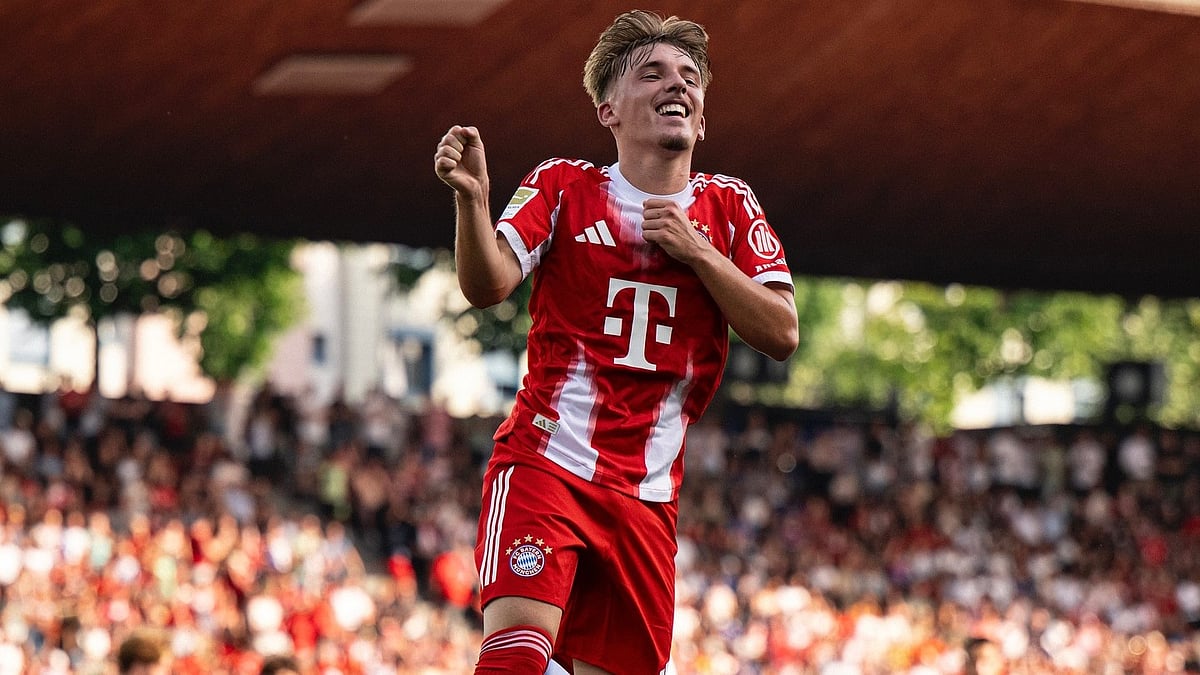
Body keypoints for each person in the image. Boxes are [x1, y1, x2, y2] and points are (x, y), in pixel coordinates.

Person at [435, 9, 798, 674]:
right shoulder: (564, 186)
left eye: (690, 77)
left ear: (703, 118)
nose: (677, 85)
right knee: (513, 659)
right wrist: (471, 203)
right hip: (548, 462)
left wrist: (700, 254)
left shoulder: (730, 206)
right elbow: (487, 285)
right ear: (609, 110)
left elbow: (781, 331)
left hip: (647, 495)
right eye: (653, 73)